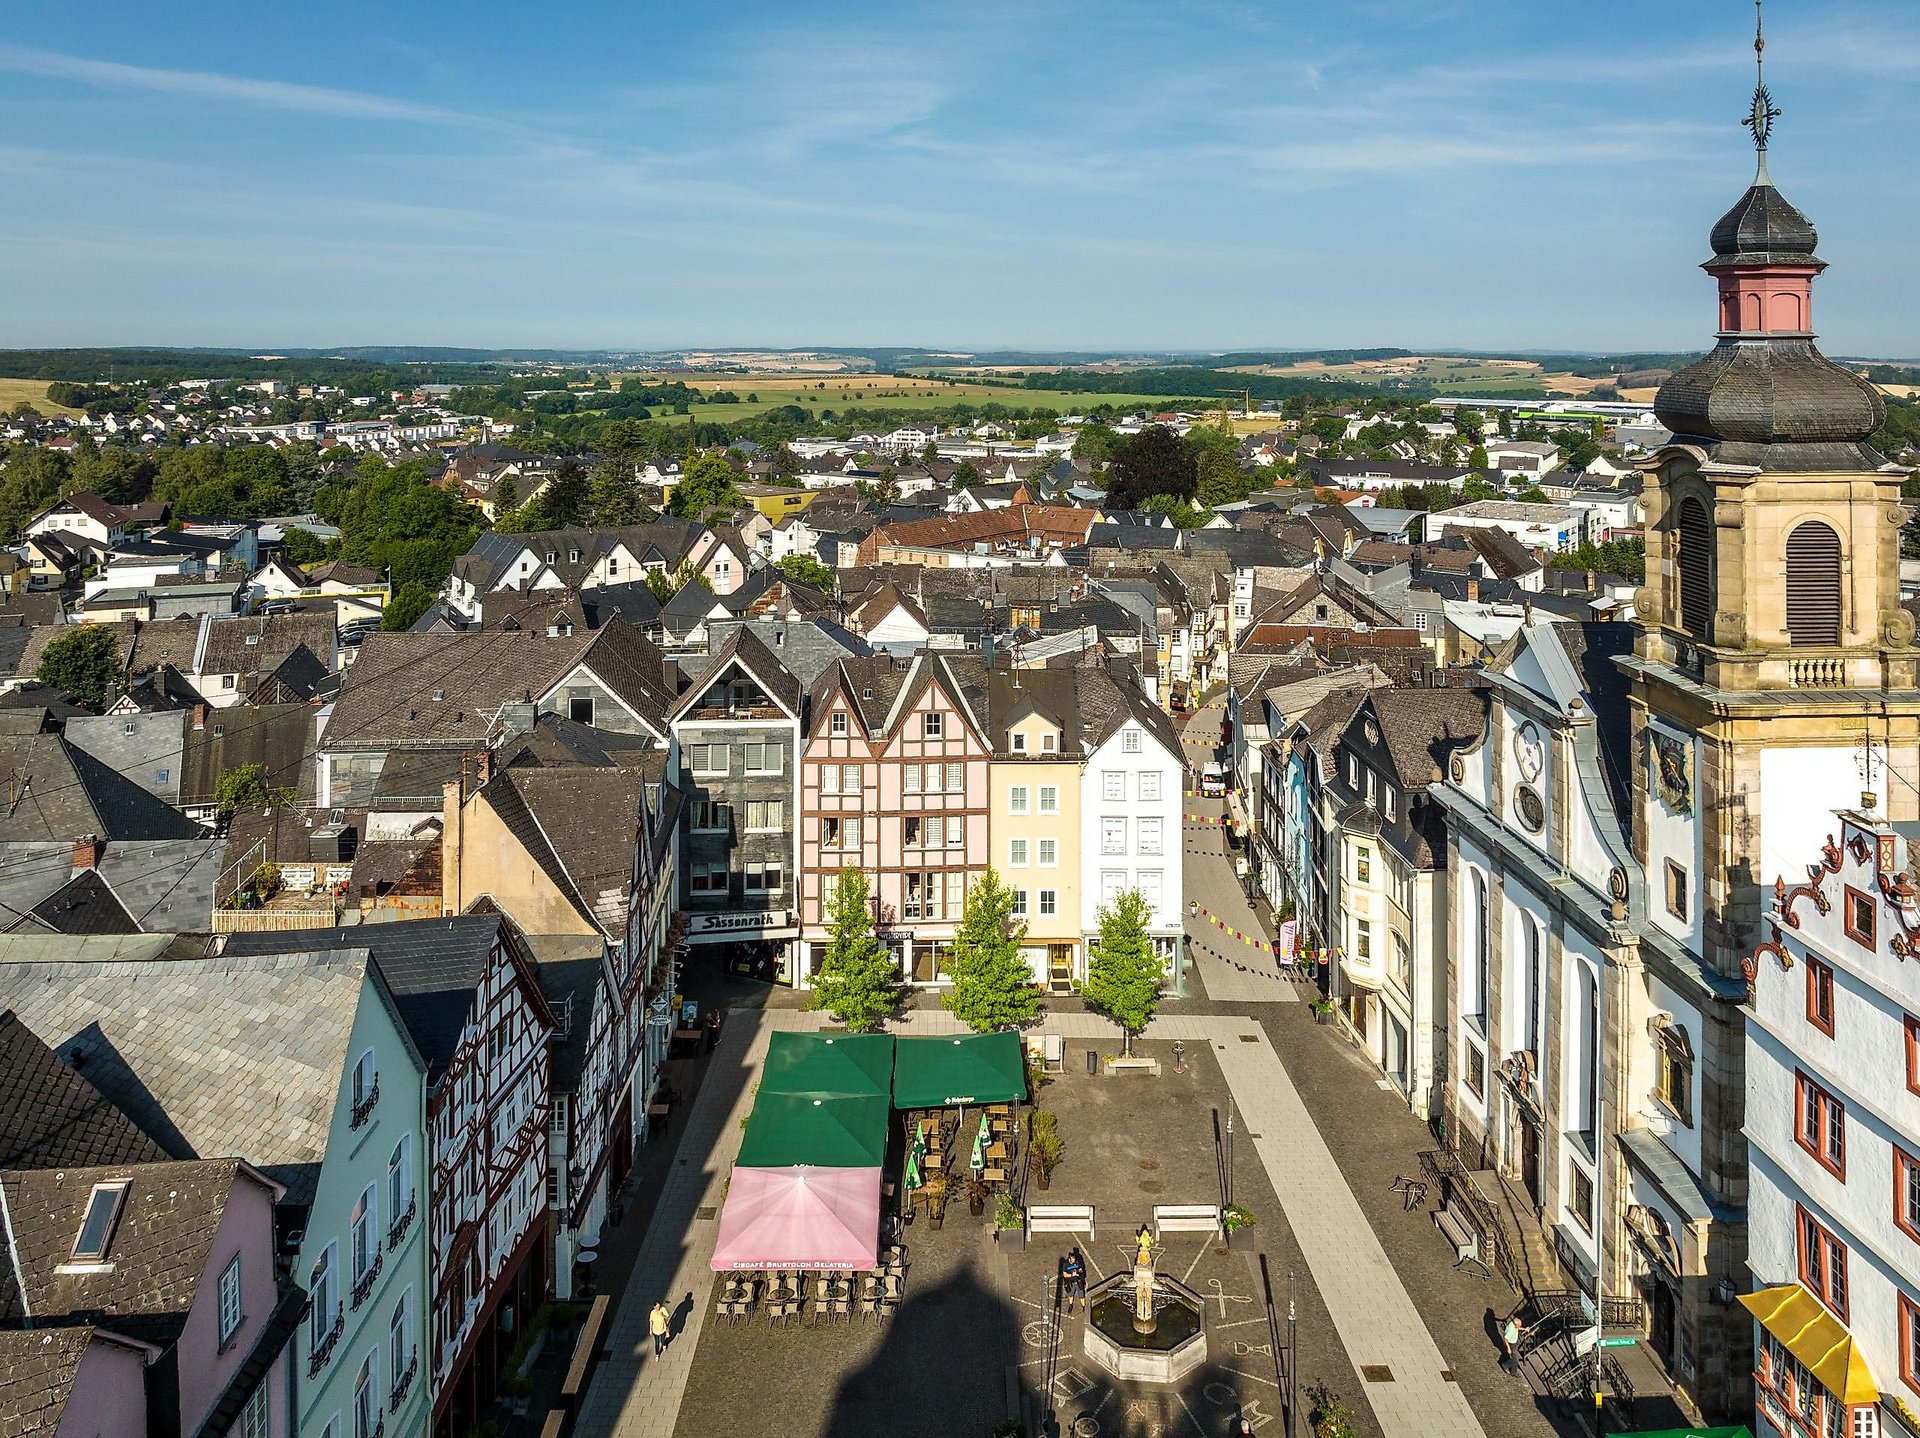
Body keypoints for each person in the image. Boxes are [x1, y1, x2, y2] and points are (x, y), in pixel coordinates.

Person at [1060, 1248, 1086, 1314]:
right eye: (1073, 1259)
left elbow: (1081, 1269)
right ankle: (1071, 1305)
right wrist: (1072, 1274)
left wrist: (1078, 1272)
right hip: (1070, 1283)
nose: (1074, 1260)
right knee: (1070, 1295)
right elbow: (1065, 1275)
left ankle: (1083, 1307)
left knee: (1081, 1295)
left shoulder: (1077, 1262)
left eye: (1074, 1259)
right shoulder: (1065, 1264)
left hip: (1078, 1281)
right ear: (1069, 1259)